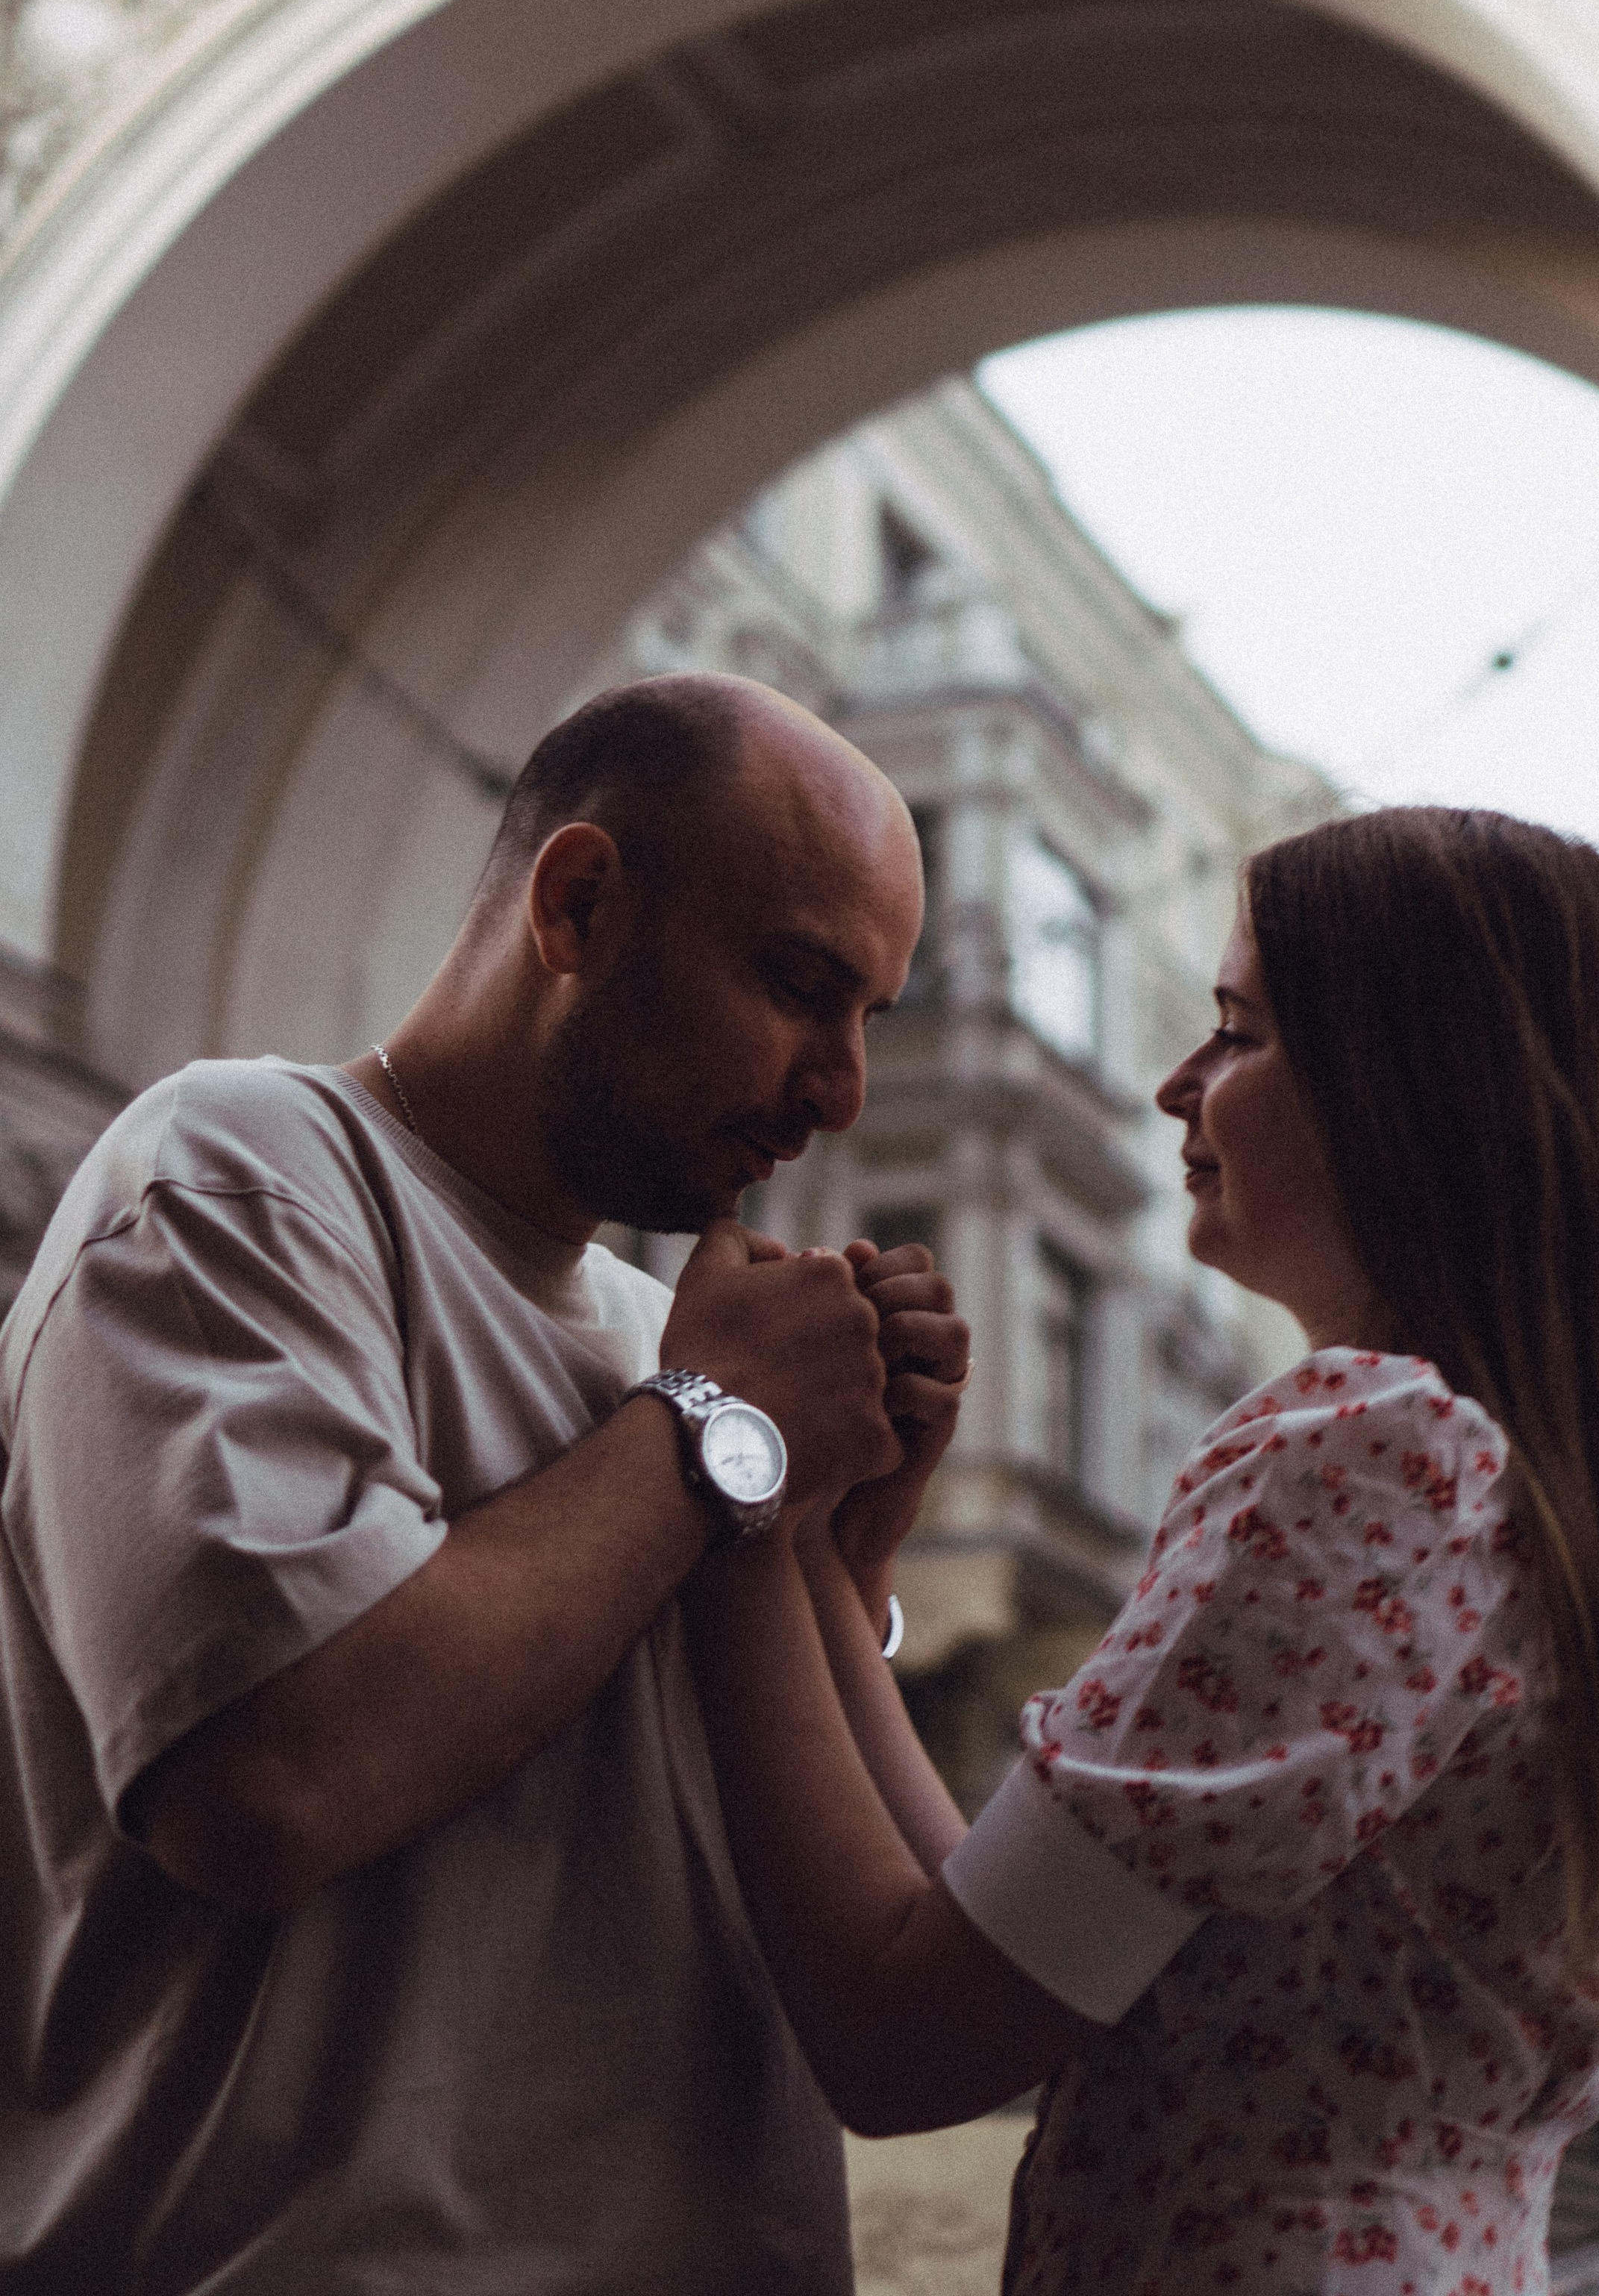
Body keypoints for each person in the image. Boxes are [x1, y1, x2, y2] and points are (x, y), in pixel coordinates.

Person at [686, 806, 1599, 2294]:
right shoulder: (1531, 1490)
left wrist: (730, 1457)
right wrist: (825, 1561)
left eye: (1238, 1032)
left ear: (1415, 1088)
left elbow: (903, 2041)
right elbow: (1004, 1942)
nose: (1174, 1085)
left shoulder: (1374, 1456)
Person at [0, 674, 970, 2294]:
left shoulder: (678, 1351)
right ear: (577, 904)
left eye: (870, 1016)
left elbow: (862, 1971)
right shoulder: (241, 1174)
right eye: (801, 987)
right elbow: (269, 1784)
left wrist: (835, 1554)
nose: (840, 1088)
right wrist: (717, 1429)